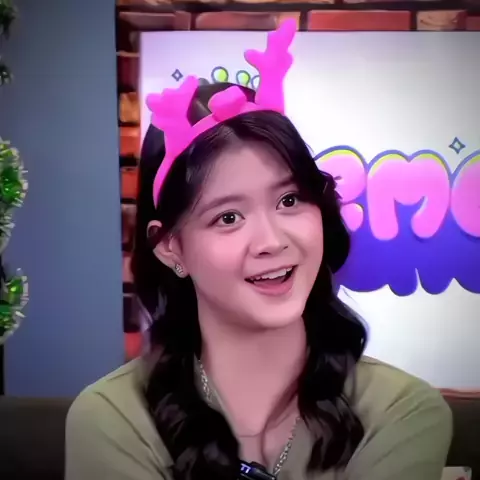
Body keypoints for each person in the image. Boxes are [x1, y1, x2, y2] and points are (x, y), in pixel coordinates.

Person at [65, 20, 452, 480]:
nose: (272, 241)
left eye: (289, 201)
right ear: (170, 248)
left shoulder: (400, 410)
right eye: (228, 217)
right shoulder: (113, 419)